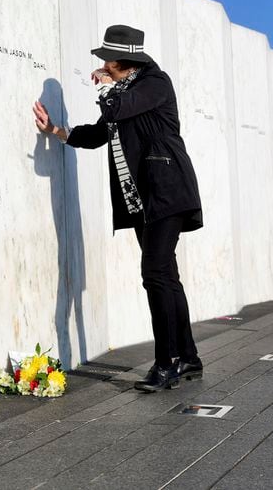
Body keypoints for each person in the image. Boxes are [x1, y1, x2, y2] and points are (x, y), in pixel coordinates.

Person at [33, 24, 203, 392]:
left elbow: (119, 107)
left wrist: (108, 87)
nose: (102, 65)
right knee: (165, 274)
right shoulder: (124, 92)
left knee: (155, 273)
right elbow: (100, 133)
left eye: (107, 59)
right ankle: (188, 356)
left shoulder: (155, 83)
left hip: (168, 191)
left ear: (121, 60)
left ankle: (166, 363)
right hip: (143, 198)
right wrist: (57, 132)